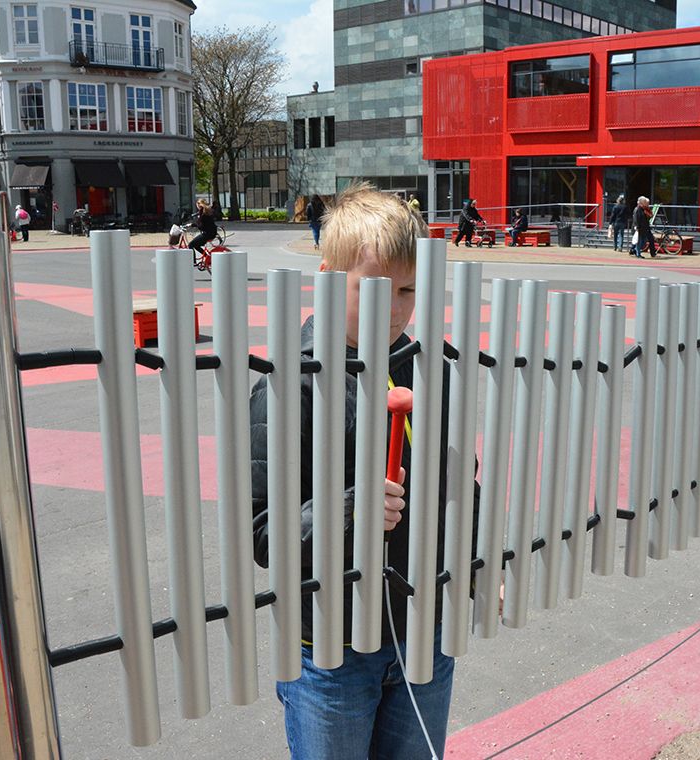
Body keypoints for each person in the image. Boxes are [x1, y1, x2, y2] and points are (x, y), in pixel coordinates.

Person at [249, 182, 478, 760]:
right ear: (328, 277)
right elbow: (264, 535)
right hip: (331, 649)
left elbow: (455, 486)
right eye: (376, 290)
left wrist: (470, 558)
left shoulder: (433, 371)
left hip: (422, 632)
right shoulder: (289, 387)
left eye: (408, 291)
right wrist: (348, 508)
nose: (396, 309)